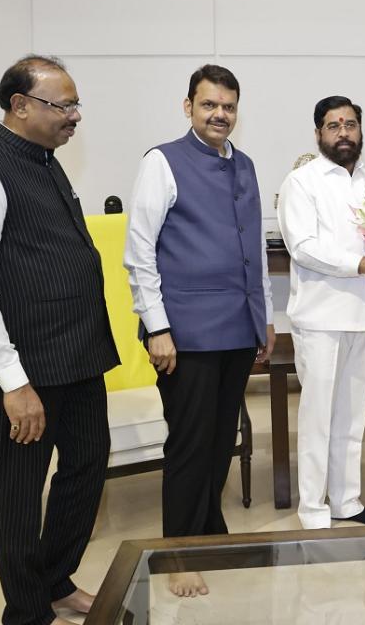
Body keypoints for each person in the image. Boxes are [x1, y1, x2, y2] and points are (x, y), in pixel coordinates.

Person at [0, 55, 118, 625]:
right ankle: (26, 612)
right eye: (62, 105)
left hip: (77, 358)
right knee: (18, 496)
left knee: (88, 466)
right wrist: (13, 385)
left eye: (75, 105)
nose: (74, 117)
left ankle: (54, 581)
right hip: (22, 372)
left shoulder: (45, 161)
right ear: (20, 106)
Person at [123, 64, 275, 597]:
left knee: (219, 440)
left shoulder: (247, 165)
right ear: (187, 106)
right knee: (189, 443)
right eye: (209, 105)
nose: (219, 115)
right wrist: (156, 327)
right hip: (184, 330)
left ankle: (210, 531)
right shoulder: (162, 161)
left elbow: (253, 247)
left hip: (238, 325)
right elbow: (139, 251)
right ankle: (177, 553)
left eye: (228, 106)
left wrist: (265, 315)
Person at [278, 95, 365, 529]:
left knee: (353, 414)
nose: (343, 133)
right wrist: (362, 265)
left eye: (350, 124)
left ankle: (347, 501)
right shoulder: (303, 182)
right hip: (319, 317)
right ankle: (314, 508)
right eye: (333, 126)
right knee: (318, 416)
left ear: (360, 130)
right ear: (318, 133)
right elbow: (303, 247)